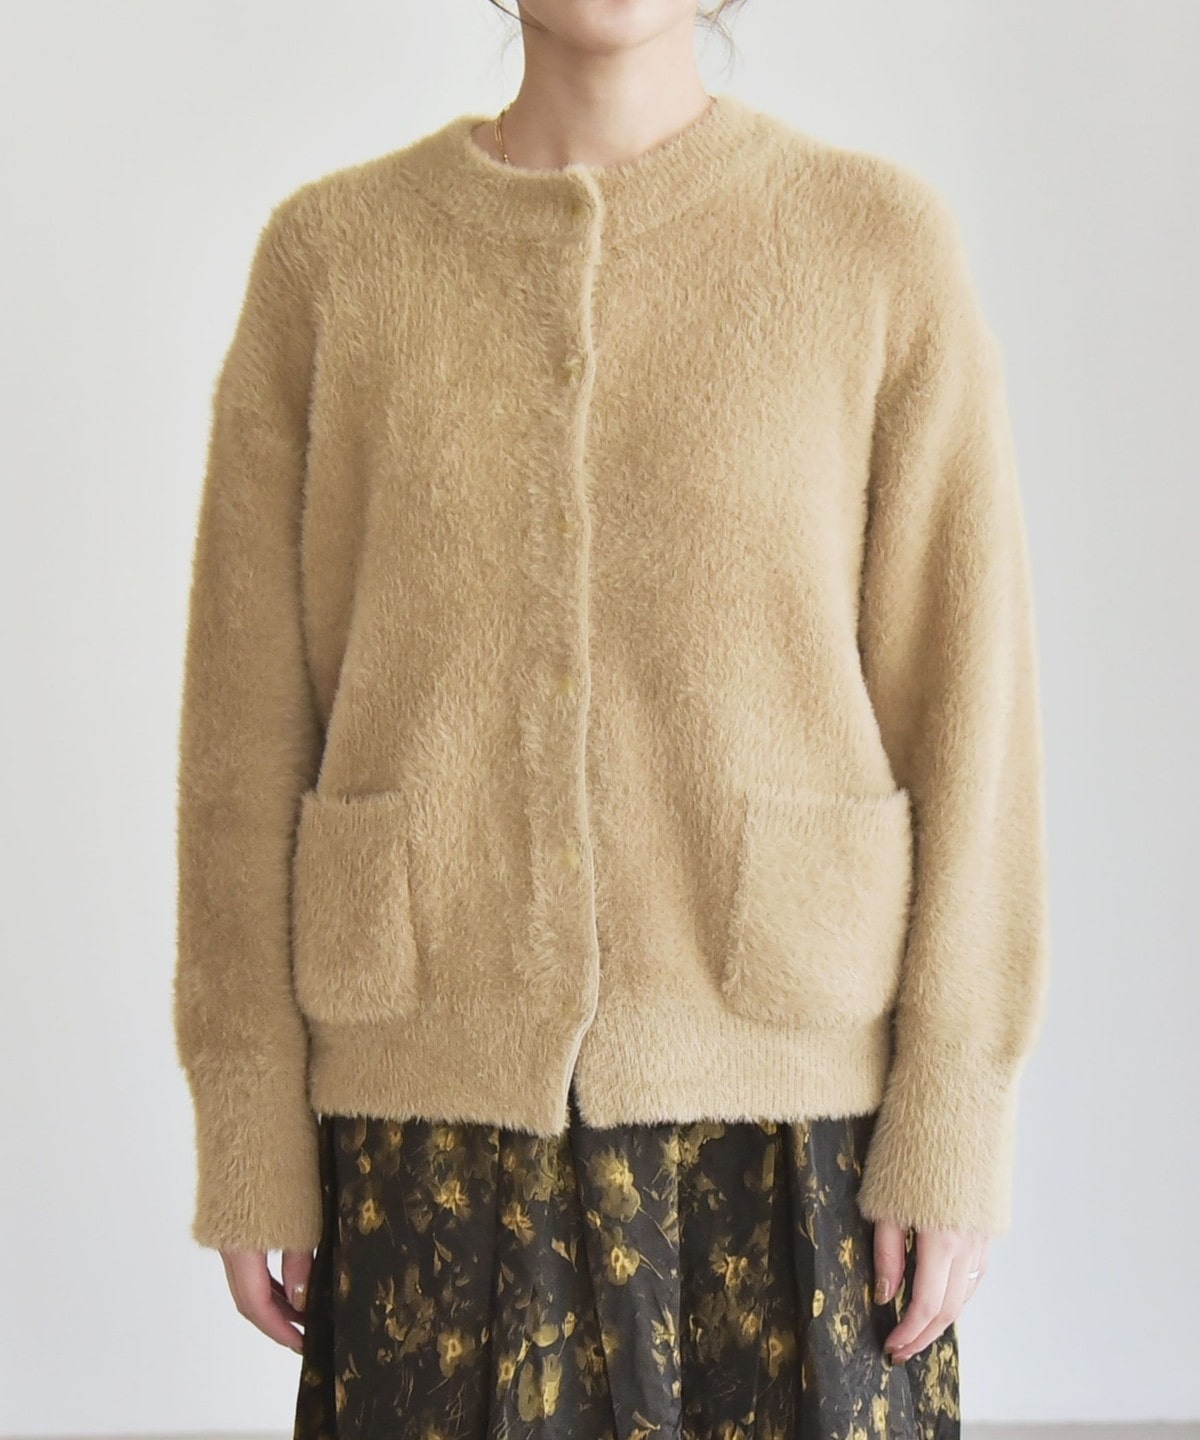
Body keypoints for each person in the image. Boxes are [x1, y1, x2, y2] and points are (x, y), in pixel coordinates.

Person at [173, 2, 1050, 1435]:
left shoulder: (874, 248)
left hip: (794, 1141)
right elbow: (242, 735)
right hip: (431, 1128)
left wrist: (956, 1109)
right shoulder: (331, 262)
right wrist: (247, 1112)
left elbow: (968, 711)